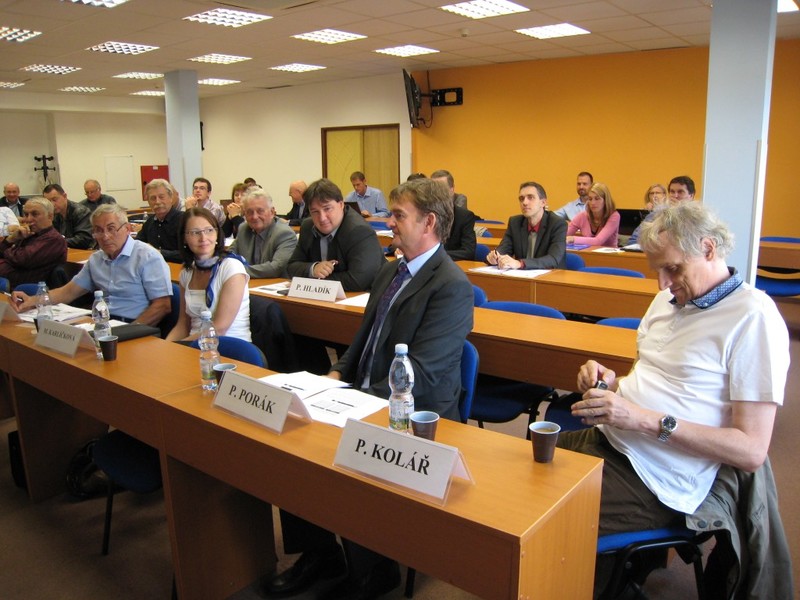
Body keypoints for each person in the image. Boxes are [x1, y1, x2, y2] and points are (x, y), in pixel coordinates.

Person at [559, 202, 790, 598]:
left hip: (661, 477)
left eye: (673, 269)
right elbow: (653, 379)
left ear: (709, 249)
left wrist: (642, 419)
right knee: (527, 473)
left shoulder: (754, 318)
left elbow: (751, 450)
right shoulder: (668, 301)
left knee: (549, 515)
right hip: (615, 441)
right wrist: (611, 382)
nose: (662, 284)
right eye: (657, 271)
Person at [267, 178, 474, 600]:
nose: (388, 223)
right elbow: (362, 341)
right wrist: (333, 376)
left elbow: (421, 374)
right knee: (292, 440)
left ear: (429, 222)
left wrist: (350, 400)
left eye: (398, 216)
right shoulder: (391, 269)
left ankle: (373, 572)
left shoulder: (452, 286)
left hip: (414, 414)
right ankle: (322, 553)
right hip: (366, 393)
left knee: (335, 448)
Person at [10, 204, 172, 326]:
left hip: (136, 325)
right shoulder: (96, 259)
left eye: (111, 229)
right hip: (103, 323)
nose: (105, 236)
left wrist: (130, 331)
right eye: (98, 230)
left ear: (127, 229)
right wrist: (32, 300)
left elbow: (162, 306)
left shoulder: (147, 257)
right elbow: (68, 292)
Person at [166, 208, 250, 342]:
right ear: (184, 238)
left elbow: (219, 328)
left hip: (227, 346)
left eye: (209, 230)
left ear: (217, 234)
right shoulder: (186, 273)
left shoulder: (231, 267)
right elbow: (183, 325)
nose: (203, 238)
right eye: (195, 232)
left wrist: (180, 346)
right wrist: (167, 346)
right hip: (193, 345)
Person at [287, 178, 385, 291]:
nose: (322, 218)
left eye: (327, 209)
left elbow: (358, 280)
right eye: (315, 212)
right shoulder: (307, 226)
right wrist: (313, 269)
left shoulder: (359, 230)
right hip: (324, 296)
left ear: (341, 204)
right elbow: (291, 267)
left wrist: (313, 282)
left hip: (364, 296)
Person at [486, 181, 567, 269]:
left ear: (543, 202)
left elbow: (553, 259)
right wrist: (496, 257)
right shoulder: (515, 222)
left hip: (551, 275)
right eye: (521, 198)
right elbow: (504, 248)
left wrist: (520, 263)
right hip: (522, 275)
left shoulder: (557, 223)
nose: (524, 202)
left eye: (530, 197)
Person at [0, 197, 67, 289]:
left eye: (35, 214)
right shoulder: (27, 234)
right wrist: (11, 239)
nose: (28, 219)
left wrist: (8, 251)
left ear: (50, 216)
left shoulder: (53, 239)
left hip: (24, 290)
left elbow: (22, 259)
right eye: (26, 214)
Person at [229, 188, 297, 279]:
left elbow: (275, 268)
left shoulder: (284, 234)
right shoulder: (243, 229)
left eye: (260, 211)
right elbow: (228, 256)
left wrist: (236, 271)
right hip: (247, 283)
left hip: (274, 285)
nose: (254, 217)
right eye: (249, 212)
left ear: (272, 212)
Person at [429, 173, 476, 261]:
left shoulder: (464, 216)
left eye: (441, 189)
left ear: (452, 190)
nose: (436, 194)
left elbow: (469, 252)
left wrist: (434, 255)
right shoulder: (423, 214)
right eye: (433, 189)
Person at [137, 178, 182, 263]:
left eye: (161, 197)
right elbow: (137, 244)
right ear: (148, 202)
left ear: (171, 198)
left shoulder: (184, 220)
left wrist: (158, 252)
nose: (157, 202)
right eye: (153, 198)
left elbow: (188, 254)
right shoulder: (149, 223)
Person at [566, 182, 620, 247]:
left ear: (605, 200)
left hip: (609, 253)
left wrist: (572, 239)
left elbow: (598, 241)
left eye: (597, 199)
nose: (593, 203)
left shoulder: (614, 216)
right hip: (587, 252)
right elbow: (563, 235)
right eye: (590, 199)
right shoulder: (582, 216)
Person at [43, 183, 94, 249]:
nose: (52, 204)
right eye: (48, 201)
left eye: (54, 200)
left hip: (83, 251)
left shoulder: (81, 212)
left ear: (65, 196)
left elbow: (83, 239)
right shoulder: (53, 214)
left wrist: (57, 242)